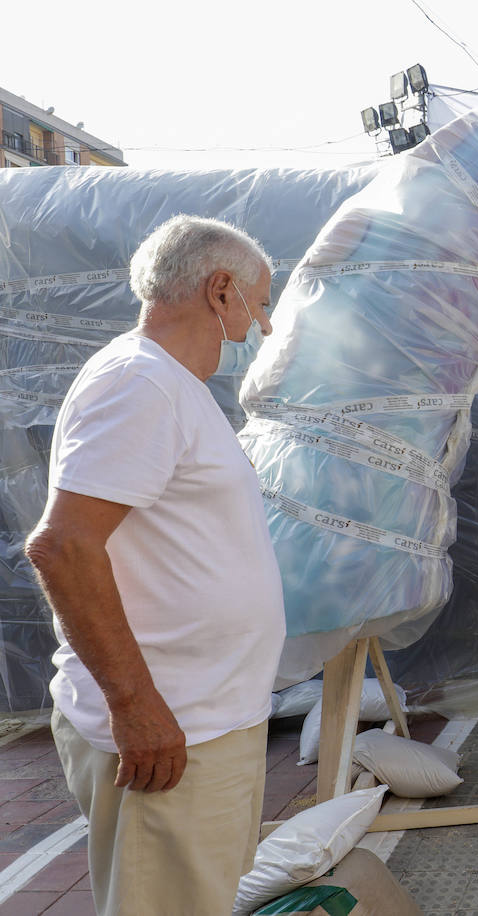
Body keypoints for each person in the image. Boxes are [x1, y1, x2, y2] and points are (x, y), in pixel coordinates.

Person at [24, 215, 285, 915]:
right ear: (220, 290)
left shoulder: (168, 385)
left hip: (203, 719)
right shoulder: (139, 383)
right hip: (172, 731)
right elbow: (64, 546)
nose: (262, 324)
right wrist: (135, 708)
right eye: (260, 303)